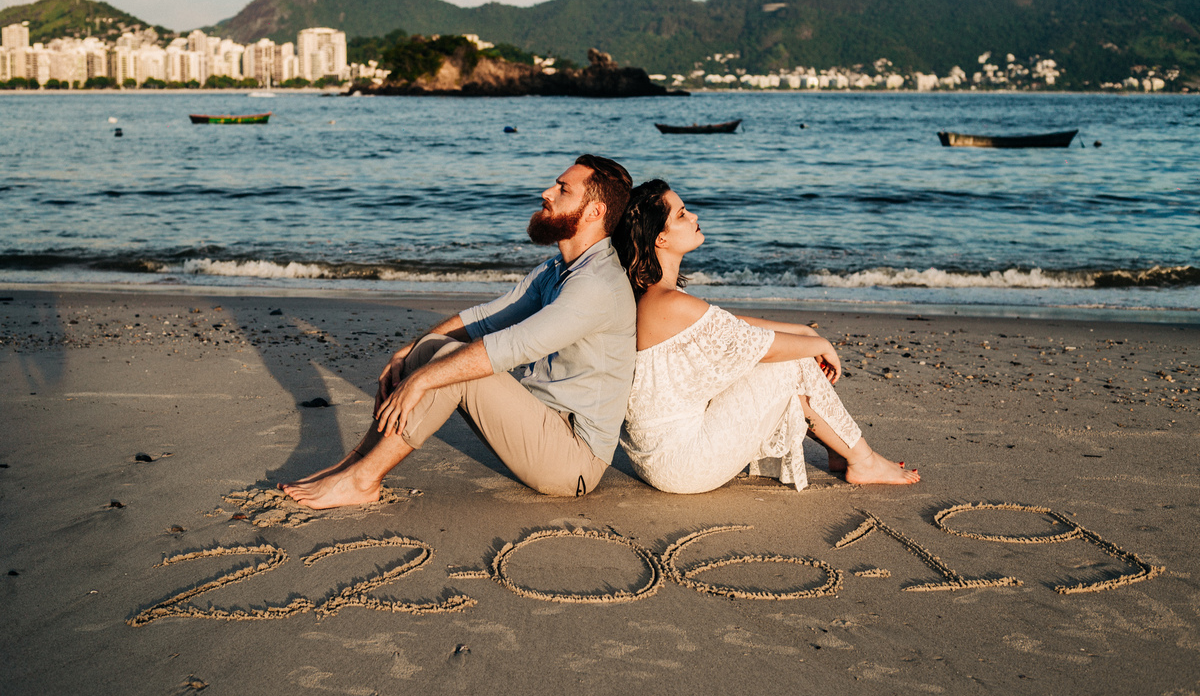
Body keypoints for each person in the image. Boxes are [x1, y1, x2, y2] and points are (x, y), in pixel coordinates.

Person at [282, 155, 636, 508]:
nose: (547, 192)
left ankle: (362, 482)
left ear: (595, 212)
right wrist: (411, 351)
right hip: (540, 421)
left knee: (453, 367)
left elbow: (514, 345)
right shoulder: (559, 268)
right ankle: (354, 464)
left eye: (563, 189)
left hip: (574, 460)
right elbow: (485, 320)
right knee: (432, 348)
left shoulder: (597, 286)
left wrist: (421, 380)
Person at [611, 179, 919, 494]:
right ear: (660, 238)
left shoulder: (655, 296)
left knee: (768, 356)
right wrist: (819, 344)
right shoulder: (668, 302)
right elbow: (760, 346)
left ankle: (838, 450)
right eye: (681, 214)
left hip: (655, 460)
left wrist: (802, 330)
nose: (693, 218)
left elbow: (730, 324)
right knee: (790, 363)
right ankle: (863, 460)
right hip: (683, 465)